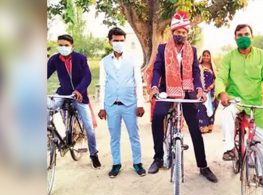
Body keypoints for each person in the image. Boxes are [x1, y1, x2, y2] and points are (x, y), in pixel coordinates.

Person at [148, 11, 218, 183]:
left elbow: (195, 71)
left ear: (187, 34)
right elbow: (157, 69)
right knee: (157, 117)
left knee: (195, 128)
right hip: (167, 90)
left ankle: (203, 166)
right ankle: (158, 158)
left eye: (184, 32)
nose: (180, 35)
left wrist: (200, 89)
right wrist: (155, 86)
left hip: (187, 91)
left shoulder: (192, 50)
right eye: (178, 32)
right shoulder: (163, 48)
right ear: (173, 32)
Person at [215, 24, 263, 189]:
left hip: (256, 103)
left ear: (252, 36)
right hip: (236, 100)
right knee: (227, 113)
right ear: (235, 38)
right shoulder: (229, 57)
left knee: (261, 141)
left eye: (246, 34)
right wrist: (222, 93)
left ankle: (261, 175)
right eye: (240, 34)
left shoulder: (262, 56)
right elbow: (220, 77)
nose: (243, 37)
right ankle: (230, 149)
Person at [98, 27, 146, 178]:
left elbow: (138, 82)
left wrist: (140, 104)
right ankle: (116, 163)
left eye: (121, 40)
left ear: (124, 41)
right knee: (114, 136)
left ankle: (137, 163)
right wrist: (101, 107)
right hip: (111, 105)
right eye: (115, 40)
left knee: (134, 135)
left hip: (129, 104)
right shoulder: (104, 61)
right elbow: (103, 84)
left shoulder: (133, 59)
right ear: (110, 41)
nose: (118, 43)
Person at [47, 34, 101, 168]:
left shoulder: (80, 58)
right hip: (63, 93)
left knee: (89, 128)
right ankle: (51, 137)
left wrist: (79, 90)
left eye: (66, 45)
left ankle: (93, 154)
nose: (63, 47)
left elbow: (87, 77)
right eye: (60, 45)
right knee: (49, 110)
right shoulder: (54, 59)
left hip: (79, 95)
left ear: (72, 46)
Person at [198, 50, 218, 133]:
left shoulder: (213, 67)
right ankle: (203, 126)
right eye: (204, 55)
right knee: (201, 108)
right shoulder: (198, 66)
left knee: (212, 107)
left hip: (211, 92)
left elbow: (216, 79)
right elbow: (196, 78)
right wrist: (202, 89)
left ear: (210, 57)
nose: (206, 57)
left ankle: (210, 125)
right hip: (201, 91)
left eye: (208, 55)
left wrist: (211, 86)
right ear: (202, 56)